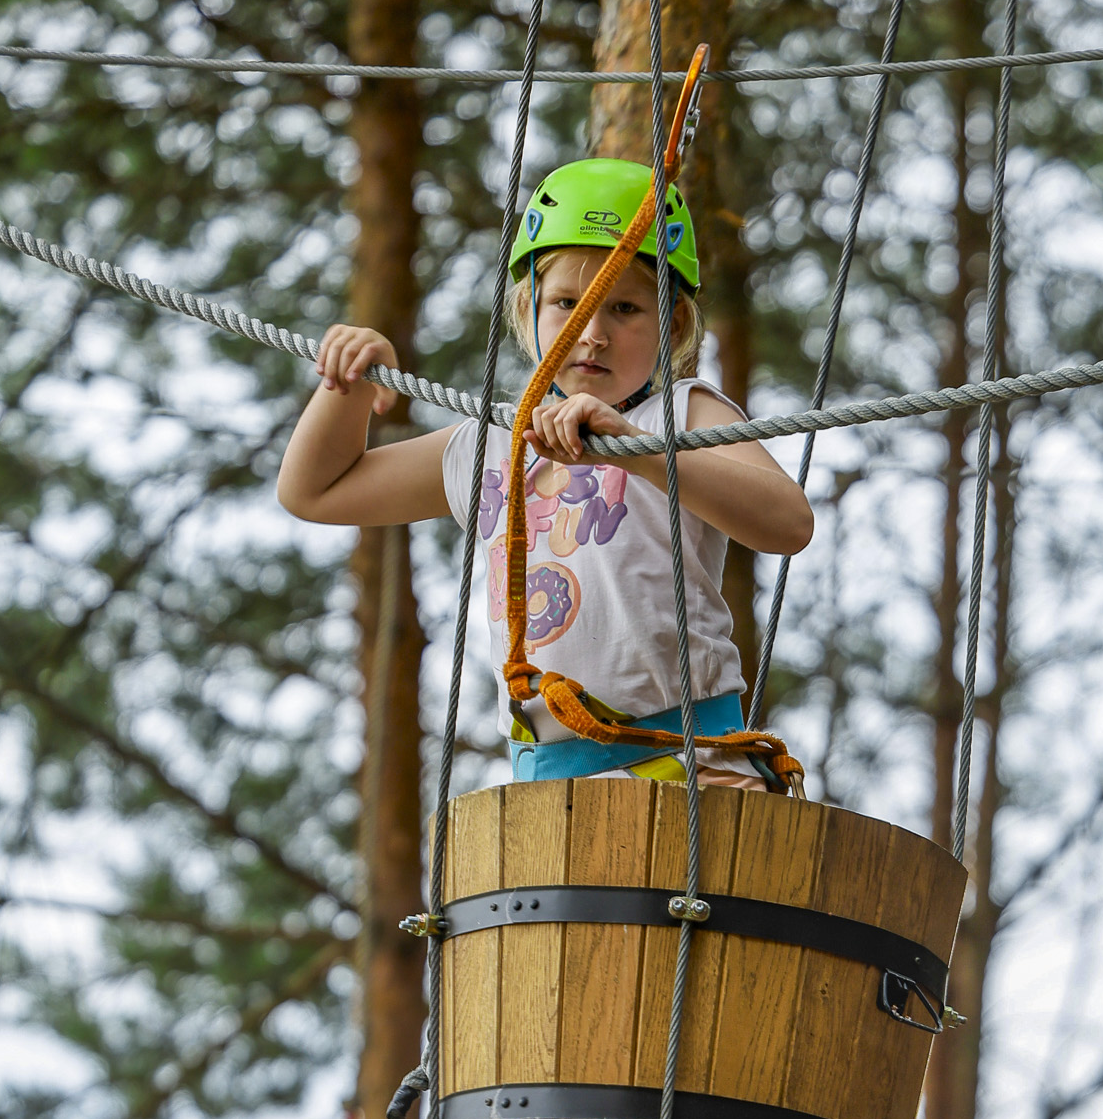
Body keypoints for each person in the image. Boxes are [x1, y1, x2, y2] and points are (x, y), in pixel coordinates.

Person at [277, 157, 812, 789]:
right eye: (567, 303)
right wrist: (351, 385)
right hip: (550, 779)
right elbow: (315, 491)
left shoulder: (682, 412)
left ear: (672, 324)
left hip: (694, 765)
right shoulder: (492, 442)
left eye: (626, 309)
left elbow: (787, 523)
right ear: (528, 308)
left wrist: (635, 450)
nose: (593, 333)